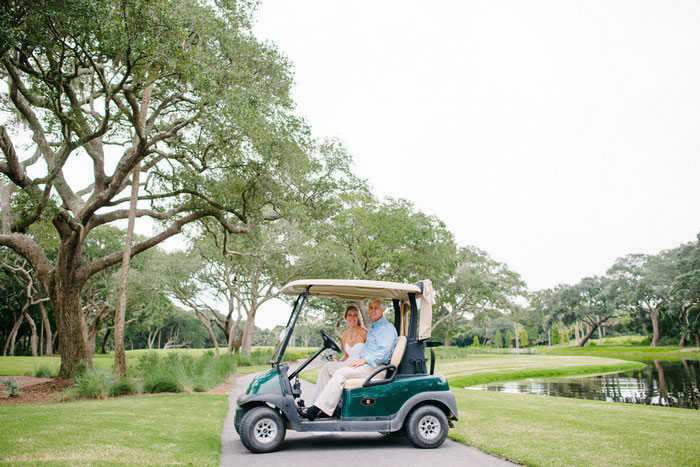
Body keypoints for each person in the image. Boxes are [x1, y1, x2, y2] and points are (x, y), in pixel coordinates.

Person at [299, 298, 398, 420]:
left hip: (375, 367)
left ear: (383, 310)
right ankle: (320, 407)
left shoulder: (387, 328)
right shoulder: (375, 328)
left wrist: (363, 360)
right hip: (365, 365)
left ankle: (315, 410)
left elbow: (383, 353)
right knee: (328, 368)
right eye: (371, 308)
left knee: (341, 373)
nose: (372, 310)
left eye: (376, 308)